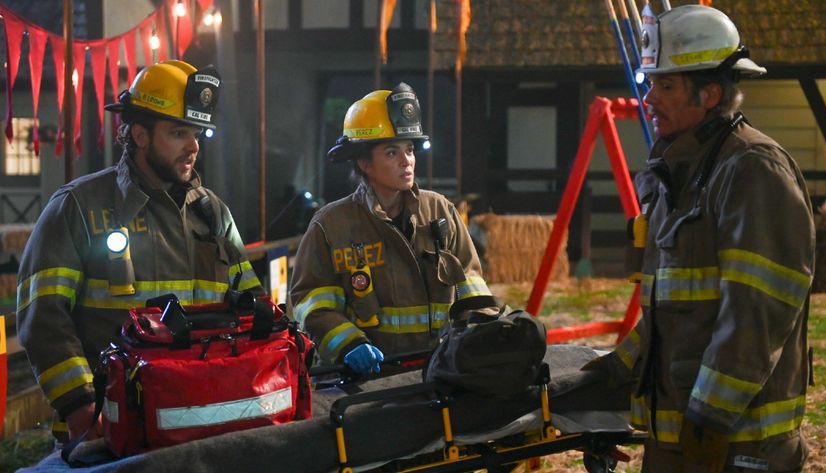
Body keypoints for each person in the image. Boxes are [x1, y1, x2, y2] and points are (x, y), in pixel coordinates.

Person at [587, 5, 814, 472]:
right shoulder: (681, 173)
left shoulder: (752, 169)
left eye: (665, 86)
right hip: (681, 442)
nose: (649, 98)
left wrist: (709, 417)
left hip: (735, 446)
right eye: (651, 83)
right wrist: (608, 380)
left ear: (709, 93)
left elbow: (757, 314)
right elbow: (668, 314)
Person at [16, 60, 262, 442]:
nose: (193, 146)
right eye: (179, 132)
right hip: (110, 430)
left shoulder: (212, 214)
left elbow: (252, 308)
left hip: (204, 425)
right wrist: (80, 406)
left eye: (196, 133)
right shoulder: (78, 207)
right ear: (140, 134)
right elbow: (43, 318)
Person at [290, 83, 494, 375]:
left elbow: (472, 287)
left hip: (439, 370)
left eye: (409, 150)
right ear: (364, 163)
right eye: (391, 152)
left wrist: (481, 336)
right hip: (366, 381)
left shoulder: (440, 212)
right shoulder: (330, 226)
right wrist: (349, 344)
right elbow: (312, 304)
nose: (406, 161)